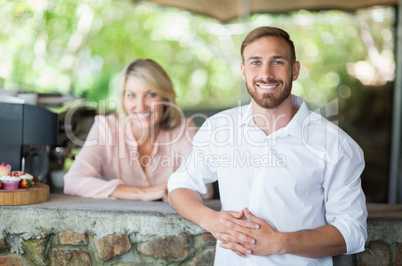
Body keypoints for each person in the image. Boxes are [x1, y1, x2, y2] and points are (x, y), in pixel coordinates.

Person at [168, 26, 367, 265]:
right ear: (243, 71)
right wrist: (210, 219)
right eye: (255, 62)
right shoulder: (219, 129)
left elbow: (353, 232)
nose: (266, 73)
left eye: (277, 62)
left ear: (295, 70)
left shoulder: (335, 145)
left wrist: (279, 242)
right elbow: (180, 185)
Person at [64, 59, 201, 201]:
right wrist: (144, 193)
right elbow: (73, 181)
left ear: (165, 97)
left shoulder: (184, 130)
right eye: (131, 95)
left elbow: (203, 186)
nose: (141, 106)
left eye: (150, 94)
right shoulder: (106, 128)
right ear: (122, 98)